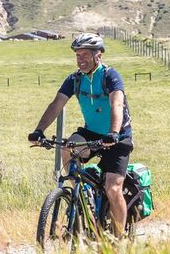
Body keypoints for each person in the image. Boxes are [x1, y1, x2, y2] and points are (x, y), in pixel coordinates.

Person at [28, 33, 134, 237]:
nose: (80, 59)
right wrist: (39, 130)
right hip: (91, 133)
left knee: (113, 188)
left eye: (85, 55)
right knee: (67, 147)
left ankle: (119, 239)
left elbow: (117, 104)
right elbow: (56, 104)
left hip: (118, 137)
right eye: (78, 55)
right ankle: (80, 195)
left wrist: (113, 133)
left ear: (98, 55)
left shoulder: (110, 76)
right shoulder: (75, 79)